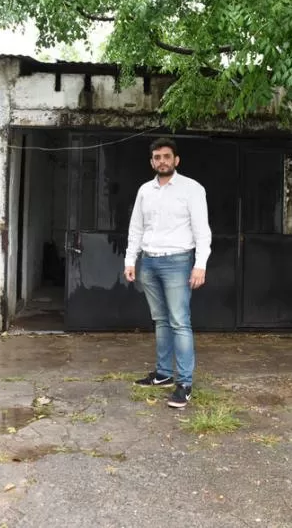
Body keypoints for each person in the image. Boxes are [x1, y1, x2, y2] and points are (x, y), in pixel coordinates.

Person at [124, 138, 211, 408]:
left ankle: (184, 383)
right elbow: (136, 228)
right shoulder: (144, 191)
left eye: (166, 156)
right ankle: (163, 374)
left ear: (176, 160)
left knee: (179, 322)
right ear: (152, 162)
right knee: (160, 320)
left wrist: (200, 264)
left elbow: (202, 230)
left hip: (178, 262)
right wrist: (130, 260)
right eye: (157, 157)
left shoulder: (192, 189)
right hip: (149, 262)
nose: (162, 161)